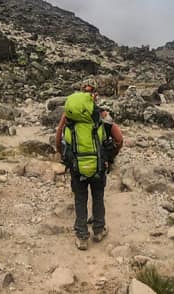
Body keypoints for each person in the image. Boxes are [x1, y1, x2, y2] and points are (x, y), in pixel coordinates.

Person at [53, 83, 124, 250]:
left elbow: (58, 137)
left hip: (76, 166)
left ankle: (82, 236)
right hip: (99, 165)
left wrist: (64, 156)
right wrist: (109, 157)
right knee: (98, 196)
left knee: (80, 199)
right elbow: (119, 139)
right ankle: (99, 230)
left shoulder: (69, 117)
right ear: (95, 96)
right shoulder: (102, 114)